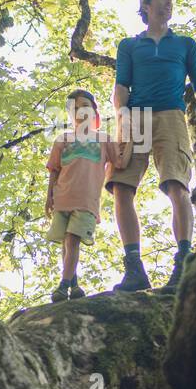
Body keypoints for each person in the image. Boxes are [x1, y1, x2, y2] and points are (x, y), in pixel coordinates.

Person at [107, 0, 196, 292]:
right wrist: (122, 119)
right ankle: (134, 268)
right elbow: (121, 89)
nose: (168, 1)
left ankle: (183, 262)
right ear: (146, 5)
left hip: (171, 116)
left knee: (176, 184)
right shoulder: (129, 45)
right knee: (121, 186)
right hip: (136, 117)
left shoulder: (185, 44)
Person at [45, 89, 131, 302]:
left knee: (73, 239)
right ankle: (73, 283)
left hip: (86, 201)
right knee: (66, 242)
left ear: (95, 112)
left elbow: (119, 162)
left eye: (85, 106)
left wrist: (130, 142)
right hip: (62, 198)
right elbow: (54, 169)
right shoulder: (63, 139)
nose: (80, 111)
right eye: (74, 109)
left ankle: (63, 285)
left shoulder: (103, 139)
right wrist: (49, 197)